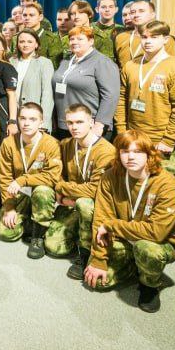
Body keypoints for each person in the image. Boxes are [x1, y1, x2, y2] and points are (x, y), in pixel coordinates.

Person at [83, 130, 175, 313]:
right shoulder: (111, 177)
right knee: (98, 281)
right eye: (124, 151)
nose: (130, 157)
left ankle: (150, 285)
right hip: (123, 237)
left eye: (137, 152)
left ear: (149, 155)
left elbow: (157, 232)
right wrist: (99, 259)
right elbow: (101, 218)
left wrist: (112, 225)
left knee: (147, 250)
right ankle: (131, 265)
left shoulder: (168, 184)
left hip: (158, 243)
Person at [114, 21, 175, 175]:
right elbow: (121, 101)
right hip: (133, 138)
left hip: (161, 142)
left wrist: (169, 139)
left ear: (166, 39)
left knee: (160, 189)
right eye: (144, 37)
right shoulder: (130, 66)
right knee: (135, 187)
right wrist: (122, 131)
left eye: (154, 37)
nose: (148, 41)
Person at [57, 104, 117, 280]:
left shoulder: (106, 151)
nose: (74, 127)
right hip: (71, 202)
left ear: (91, 122)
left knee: (84, 202)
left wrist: (62, 189)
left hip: (96, 206)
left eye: (79, 122)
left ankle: (84, 253)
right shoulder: (66, 144)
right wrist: (60, 190)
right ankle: (76, 233)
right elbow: (56, 174)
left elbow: (94, 190)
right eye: (70, 123)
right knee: (54, 246)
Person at [0, 102, 63, 257]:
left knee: (43, 191)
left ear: (41, 122)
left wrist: (23, 180)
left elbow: (52, 177)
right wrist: (9, 207)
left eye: (32, 119)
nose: (26, 123)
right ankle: (28, 220)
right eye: (23, 118)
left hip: (40, 192)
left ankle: (38, 236)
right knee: (7, 233)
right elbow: (4, 177)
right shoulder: (8, 143)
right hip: (19, 193)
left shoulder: (51, 144)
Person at [52, 25, 121, 141]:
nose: (74, 42)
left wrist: (100, 123)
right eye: (72, 39)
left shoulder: (102, 62)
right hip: (65, 124)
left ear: (91, 41)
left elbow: (110, 96)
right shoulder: (66, 61)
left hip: (89, 126)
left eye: (80, 39)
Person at [114, 1, 175, 66]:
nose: (136, 15)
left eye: (141, 11)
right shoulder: (120, 37)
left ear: (152, 15)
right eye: (132, 12)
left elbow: (169, 66)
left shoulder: (164, 39)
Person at [10, 30, 54, 120]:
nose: (25, 45)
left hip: (34, 116)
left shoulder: (44, 63)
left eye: (30, 42)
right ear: (17, 44)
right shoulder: (11, 61)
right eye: (22, 41)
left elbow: (47, 95)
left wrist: (43, 121)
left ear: (36, 44)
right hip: (13, 115)